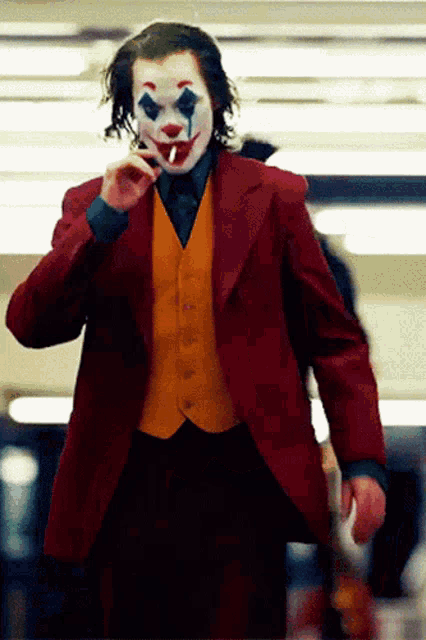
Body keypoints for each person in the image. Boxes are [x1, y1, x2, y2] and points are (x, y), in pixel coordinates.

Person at [6, 21, 387, 640]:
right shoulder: (92, 203)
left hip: (241, 476)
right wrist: (104, 219)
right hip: (129, 479)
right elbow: (31, 323)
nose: (171, 123)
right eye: (150, 107)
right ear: (129, 113)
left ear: (217, 100)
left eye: (187, 102)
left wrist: (363, 460)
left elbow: (335, 340)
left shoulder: (275, 198)